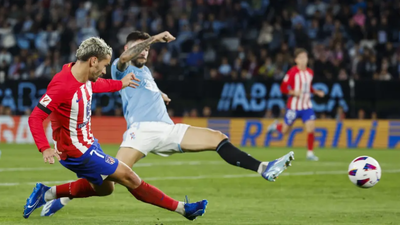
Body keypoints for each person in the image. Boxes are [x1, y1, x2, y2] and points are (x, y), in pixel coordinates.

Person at [41, 31, 295, 216]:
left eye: (147, 49)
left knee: (216, 137)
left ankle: (263, 167)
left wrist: (159, 94)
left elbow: (148, 88)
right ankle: (58, 197)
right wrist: (152, 39)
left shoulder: (146, 73)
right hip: (141, 131)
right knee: (109, 181)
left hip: (168, 128)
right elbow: (123, 57)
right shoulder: (120, 68)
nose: (143, 52)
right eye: (138, 47)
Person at [24, 36, 207, 221]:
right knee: (128, 176)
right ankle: (185, 209)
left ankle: (46, 194)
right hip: (76, 151)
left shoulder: (83, 75)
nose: (105, 71)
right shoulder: (62, 85)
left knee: (106, 189)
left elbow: (97, 85)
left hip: (89, 143)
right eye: (104, 66)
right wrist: (44, 147)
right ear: (93, 61)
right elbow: (35, 117)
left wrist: (121, 83)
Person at [267, 48, 325, 161]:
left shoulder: (310, 72)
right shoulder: (292, 72)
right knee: (285, 131)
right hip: (293, 107)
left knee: (311, 128)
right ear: (296, 60)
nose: (304, 60)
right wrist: (293, 92)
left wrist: (316, 92)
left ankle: (310, 153)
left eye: (305, 57)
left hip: (306, 106)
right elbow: (283, 88)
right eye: (301, 58)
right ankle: (276, 126)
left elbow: (308, 87)